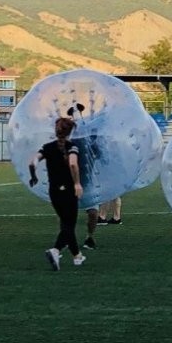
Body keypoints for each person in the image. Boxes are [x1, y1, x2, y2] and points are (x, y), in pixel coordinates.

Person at [28, 116, 86, 270]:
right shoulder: (72, 147)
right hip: (68, 191)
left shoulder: (47, 147)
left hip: (53, 191)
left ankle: (77, 256)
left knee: (66, 224)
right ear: (70, 132)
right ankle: (55, 250)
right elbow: (73, 164)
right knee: (69, 225)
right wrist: (77, 183)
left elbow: (32, 162)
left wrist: (34, 176)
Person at [67, 104, 102, 249]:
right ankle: (67, 237)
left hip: (87, 183)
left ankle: (89, 237)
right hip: (72, 182)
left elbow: (100, 154)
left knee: (93, 212)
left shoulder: (90, 141)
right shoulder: (70, 141)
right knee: (68, 214)